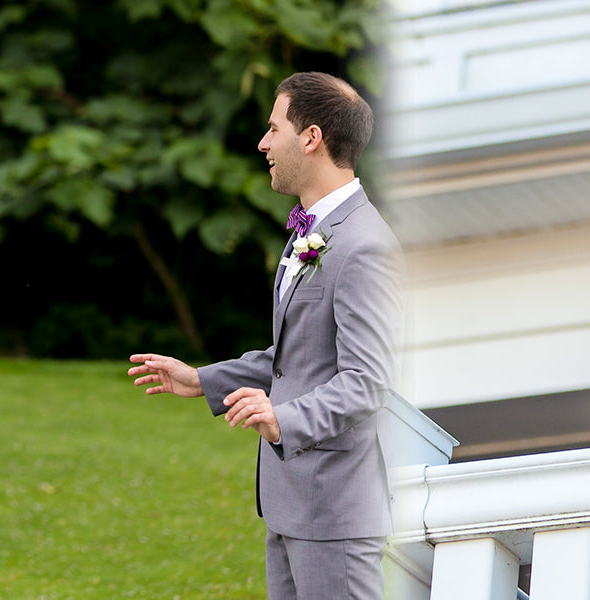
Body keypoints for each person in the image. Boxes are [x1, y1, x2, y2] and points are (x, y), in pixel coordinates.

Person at [127, 72, 400, 599]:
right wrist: (202, 380)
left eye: (274, 128)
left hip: (334, 513)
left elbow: (368, 381)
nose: (263, 143)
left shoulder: (365, 246)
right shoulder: (313, 231)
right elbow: (297, 355)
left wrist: (283, 419)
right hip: (291, 503)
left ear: (311, 137)